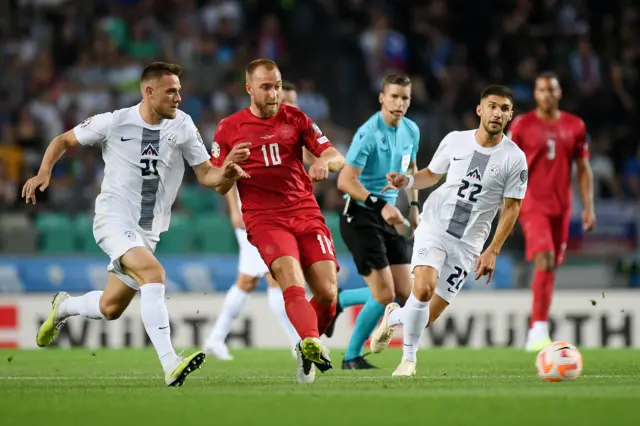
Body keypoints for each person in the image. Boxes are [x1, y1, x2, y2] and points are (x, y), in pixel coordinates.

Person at [24, 62, 249, 387]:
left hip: (148, 230)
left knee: (110, 307)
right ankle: (170, 363)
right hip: (113, 218)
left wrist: (226, 172)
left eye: (179, 91)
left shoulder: (183, 126)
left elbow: (206, 175)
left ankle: (64, 307)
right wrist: (44, 171)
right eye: (171, 91)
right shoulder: (115, 122)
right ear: (149, 92)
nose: (178, 98)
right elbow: (63, 140)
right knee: (154, 274)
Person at [369, 85, 528, 376]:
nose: (497, 113)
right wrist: (406, 181)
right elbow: (431, 174)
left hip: (469, 243)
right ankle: (408, 360)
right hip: (436, 225)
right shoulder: (456, 141)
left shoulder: (514, 158)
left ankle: (393, 317)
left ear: (510, 116)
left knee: (425, 317)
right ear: (480, 110)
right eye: (492, 106)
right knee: (424, 288)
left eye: (504, 108)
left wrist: (492, 249)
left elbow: (512, 208)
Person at [210, 59, 346, 383]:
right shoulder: (229, 128)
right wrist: (228, 169)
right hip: (265, 219)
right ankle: (312, 342)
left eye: (278, 85)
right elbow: (218, 183)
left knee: (328, 294)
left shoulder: (296, 118)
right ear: (249, 89)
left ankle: (305, 344)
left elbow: (336, 155)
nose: (274, 93)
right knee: (291, 280)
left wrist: (326, 163)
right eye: (266, 87)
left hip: (305, 212)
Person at [203, 81, 302, 360]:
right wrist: (235, 209)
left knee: (247, 280)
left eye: (294, 104)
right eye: (287, 102)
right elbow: (229, 171)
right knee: (277, 277)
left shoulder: (292, 131)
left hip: (278, 215)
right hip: (255, 216)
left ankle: (215, 338)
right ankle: (298, 343)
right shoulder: (251, 128)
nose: (290, 107)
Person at [334, 74, 419, 369]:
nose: (399, 103)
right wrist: (379, 204)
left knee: (405, 294)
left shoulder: (411, 130)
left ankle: (340, 299)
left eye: (405, 98)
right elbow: (345, 181)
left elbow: (413, 168)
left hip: (390, 216)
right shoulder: (369, 133)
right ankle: (351, 357)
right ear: (382, 98)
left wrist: (415, 206)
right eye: (394, 96)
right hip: (360, 214)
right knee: (384, 295)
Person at [508, 72, 595, 352]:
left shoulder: (575, 126)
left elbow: (583, 168)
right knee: (544, 259)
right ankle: (538, 330)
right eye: (542, 89)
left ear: (559, 93)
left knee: (552, 264)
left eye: (552, 90)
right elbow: (506, 163)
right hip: (532, 202)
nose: (547, 94)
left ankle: (539, 325)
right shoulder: (522, 125)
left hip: (562, 205)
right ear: (535, 94)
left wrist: (588, 207)